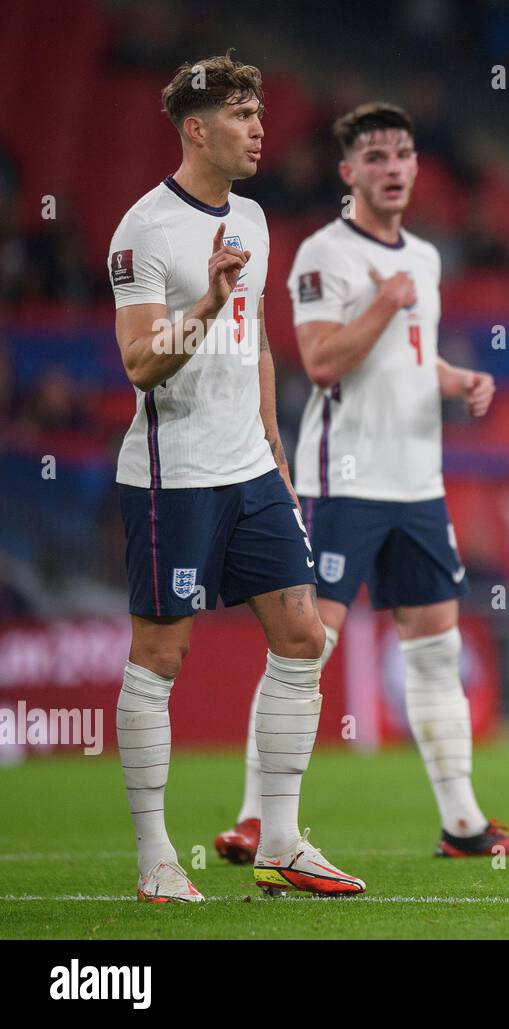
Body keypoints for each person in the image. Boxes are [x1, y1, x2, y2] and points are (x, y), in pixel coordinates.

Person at [213, 102, 509, 862]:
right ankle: (251, 818)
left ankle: (463, 825)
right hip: (346, 484)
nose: (394, 168)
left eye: (403, 154)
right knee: (304, 649)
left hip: (419, 486)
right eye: (376, 157)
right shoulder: (322, 257)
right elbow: (322, 361)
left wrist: (456, 376)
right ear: (348, 173)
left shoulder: (426, 260)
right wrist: (383, 302)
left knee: (434, 651)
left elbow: (407, 356)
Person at [108, 52, 364, 901]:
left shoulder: (251, 219)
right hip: (171, 475)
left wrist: (278, 458)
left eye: (259, 113)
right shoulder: (143, 230)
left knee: (303, 634)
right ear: (196, 127)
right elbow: (142, 366)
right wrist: (206, 304)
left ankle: (282, 842)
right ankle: (155, 860)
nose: (260, 129)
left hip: (250, 469)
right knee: (162, 652)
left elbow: (254, 345)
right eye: (242, 115)